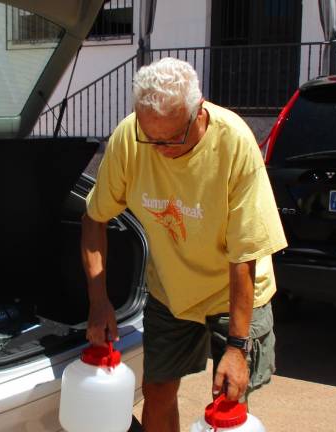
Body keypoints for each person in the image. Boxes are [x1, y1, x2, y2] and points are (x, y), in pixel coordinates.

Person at [80, 57, 287, 432]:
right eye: (151, 137)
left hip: (235, 292)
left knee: (228, 400)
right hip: (171, 292)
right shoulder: (131, 137)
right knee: (157, 391)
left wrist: (238, 349)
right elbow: (95, 219)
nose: (161, 148)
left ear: (200, 111)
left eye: (173, 137)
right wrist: (99, 301)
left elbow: (245, 256)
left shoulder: (234, 143)